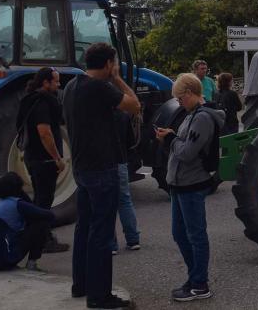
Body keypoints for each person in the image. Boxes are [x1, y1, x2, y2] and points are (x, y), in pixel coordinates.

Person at [64, 42, 140, 309]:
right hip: (101, 168)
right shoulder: (100, 88)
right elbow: (134, 105)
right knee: (102, 232)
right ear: (108, 63)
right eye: (113, 64)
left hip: (82, 168)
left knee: (84, 227)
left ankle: (80, 284)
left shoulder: (72, 86)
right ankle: (100, 296)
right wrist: (118, 78)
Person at [156, 73, 224, 302]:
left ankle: (200, 283)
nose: (179, 102)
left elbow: (186, 152)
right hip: (180, 183)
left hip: (191, 183)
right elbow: (183, 145)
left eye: (179, 98)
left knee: (195, 235)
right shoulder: (191, 114)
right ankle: (195, 277)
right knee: (179, 233)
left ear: (189, 93)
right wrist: (173, 138)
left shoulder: (202, 118)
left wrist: (170, 139)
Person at [17, 67, 70, 254]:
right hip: (44, 161)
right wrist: (57, 158)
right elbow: (45, 133)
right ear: (45, 83)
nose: (58, 84)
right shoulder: (43, 103)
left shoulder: (30, 100)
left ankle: (41, 237)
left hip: (33, 158)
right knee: (44, 201)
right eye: (55, 81)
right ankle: (43, 240)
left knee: (40, 198)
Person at [0, 172, 55, 272]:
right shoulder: (17, 204)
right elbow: (49, 215)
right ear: (18, 188)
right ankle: (31, 264)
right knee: (41, 222)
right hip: (2, 260)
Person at [109, 111, 141, 255]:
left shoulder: (96, 114)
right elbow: (131, 142)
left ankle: (111, 244)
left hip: (104, 163)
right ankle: (133, 239)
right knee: (125, 201)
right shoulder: (123, 115)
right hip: (121, 161)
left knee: (106, 204)